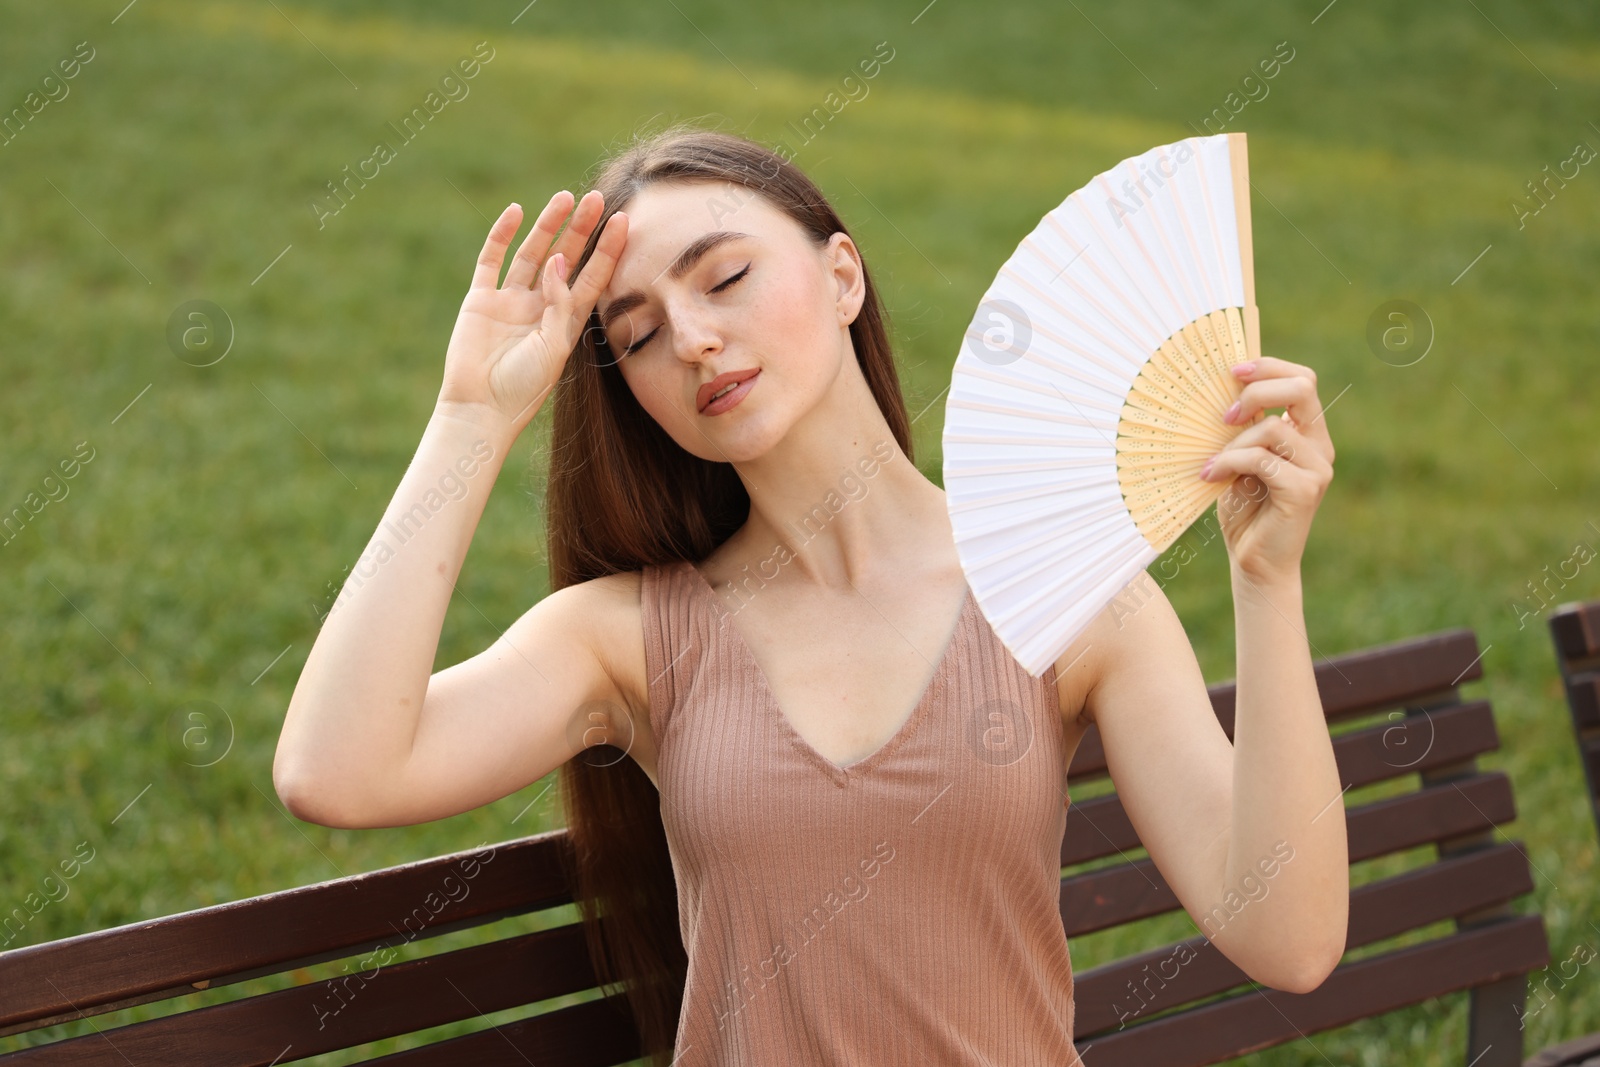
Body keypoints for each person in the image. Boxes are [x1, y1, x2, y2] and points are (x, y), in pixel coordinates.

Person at [274, 122, 1348, 1065]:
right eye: (639, 334)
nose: (691, 337)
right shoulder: (631, 639)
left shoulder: (1062, 595)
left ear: (843, 276)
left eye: (725, 278)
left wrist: (1266, 580)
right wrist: (472, 418)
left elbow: (1289, 940)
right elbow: (337, 771)